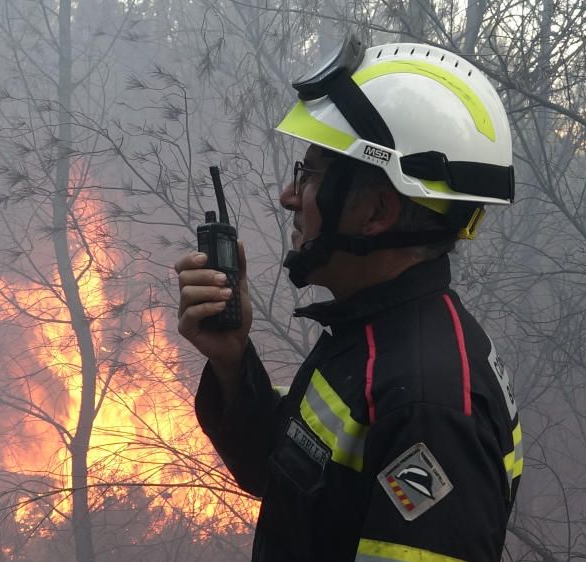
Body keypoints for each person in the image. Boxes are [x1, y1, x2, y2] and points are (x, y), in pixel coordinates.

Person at [175, 36, 522, 562]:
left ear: (375, 213)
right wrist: (231, 363)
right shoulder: (371, 340)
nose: (289, 197)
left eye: (310, 174)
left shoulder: (430, 408)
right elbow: (286, 474)